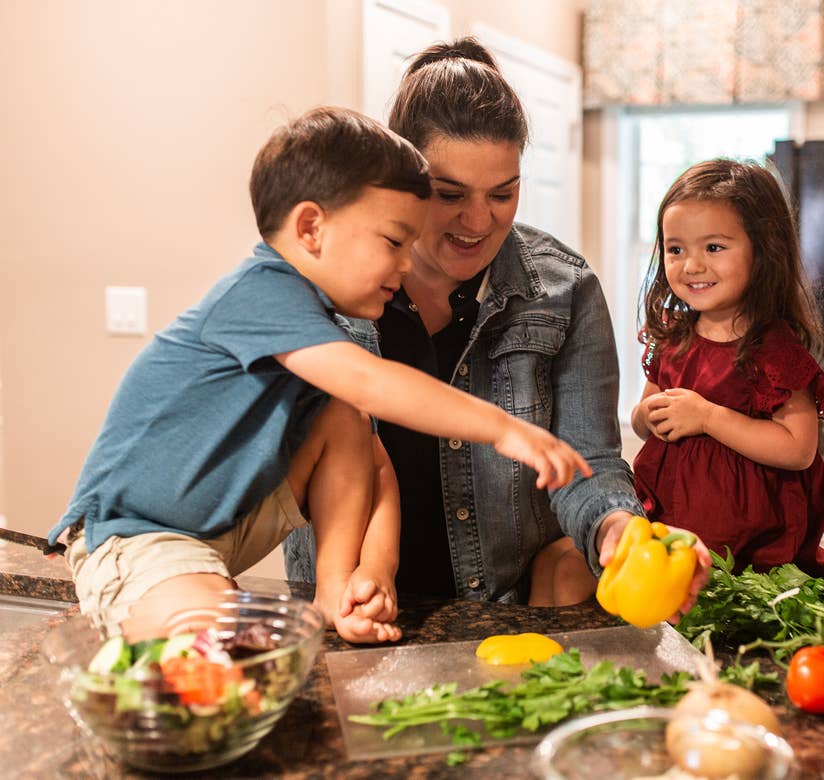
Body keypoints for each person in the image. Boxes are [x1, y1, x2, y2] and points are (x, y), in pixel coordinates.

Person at [46, 106, 591, 644]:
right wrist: (502, 428)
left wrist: (372, 573)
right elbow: (373, 381)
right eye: (394, 242)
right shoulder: (261, 294)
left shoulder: (315, 330)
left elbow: (374, 469)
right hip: (134, 537)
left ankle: (332, 595)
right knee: (219, 647)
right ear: (311, 227)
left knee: (345, 419)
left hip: (216, 535)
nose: (406, 265)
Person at [284, 38, 711, 610]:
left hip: (501, 615)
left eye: (502, 193)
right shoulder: (322, 282)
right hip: (340, 609)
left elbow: (589, 463)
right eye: (450, 193)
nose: (479, 220)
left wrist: (617, 532)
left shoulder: (565, 290)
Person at [631, 158, 824, 577]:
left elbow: (798, 449)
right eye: (675, 249)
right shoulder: (674, 337)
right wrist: (645, 415)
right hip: (674, 546)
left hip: (755, 563)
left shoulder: (773, 351)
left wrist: (707, 417)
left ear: (763, 251)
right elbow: (644, 419)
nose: (692, 266)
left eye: (714, 247)